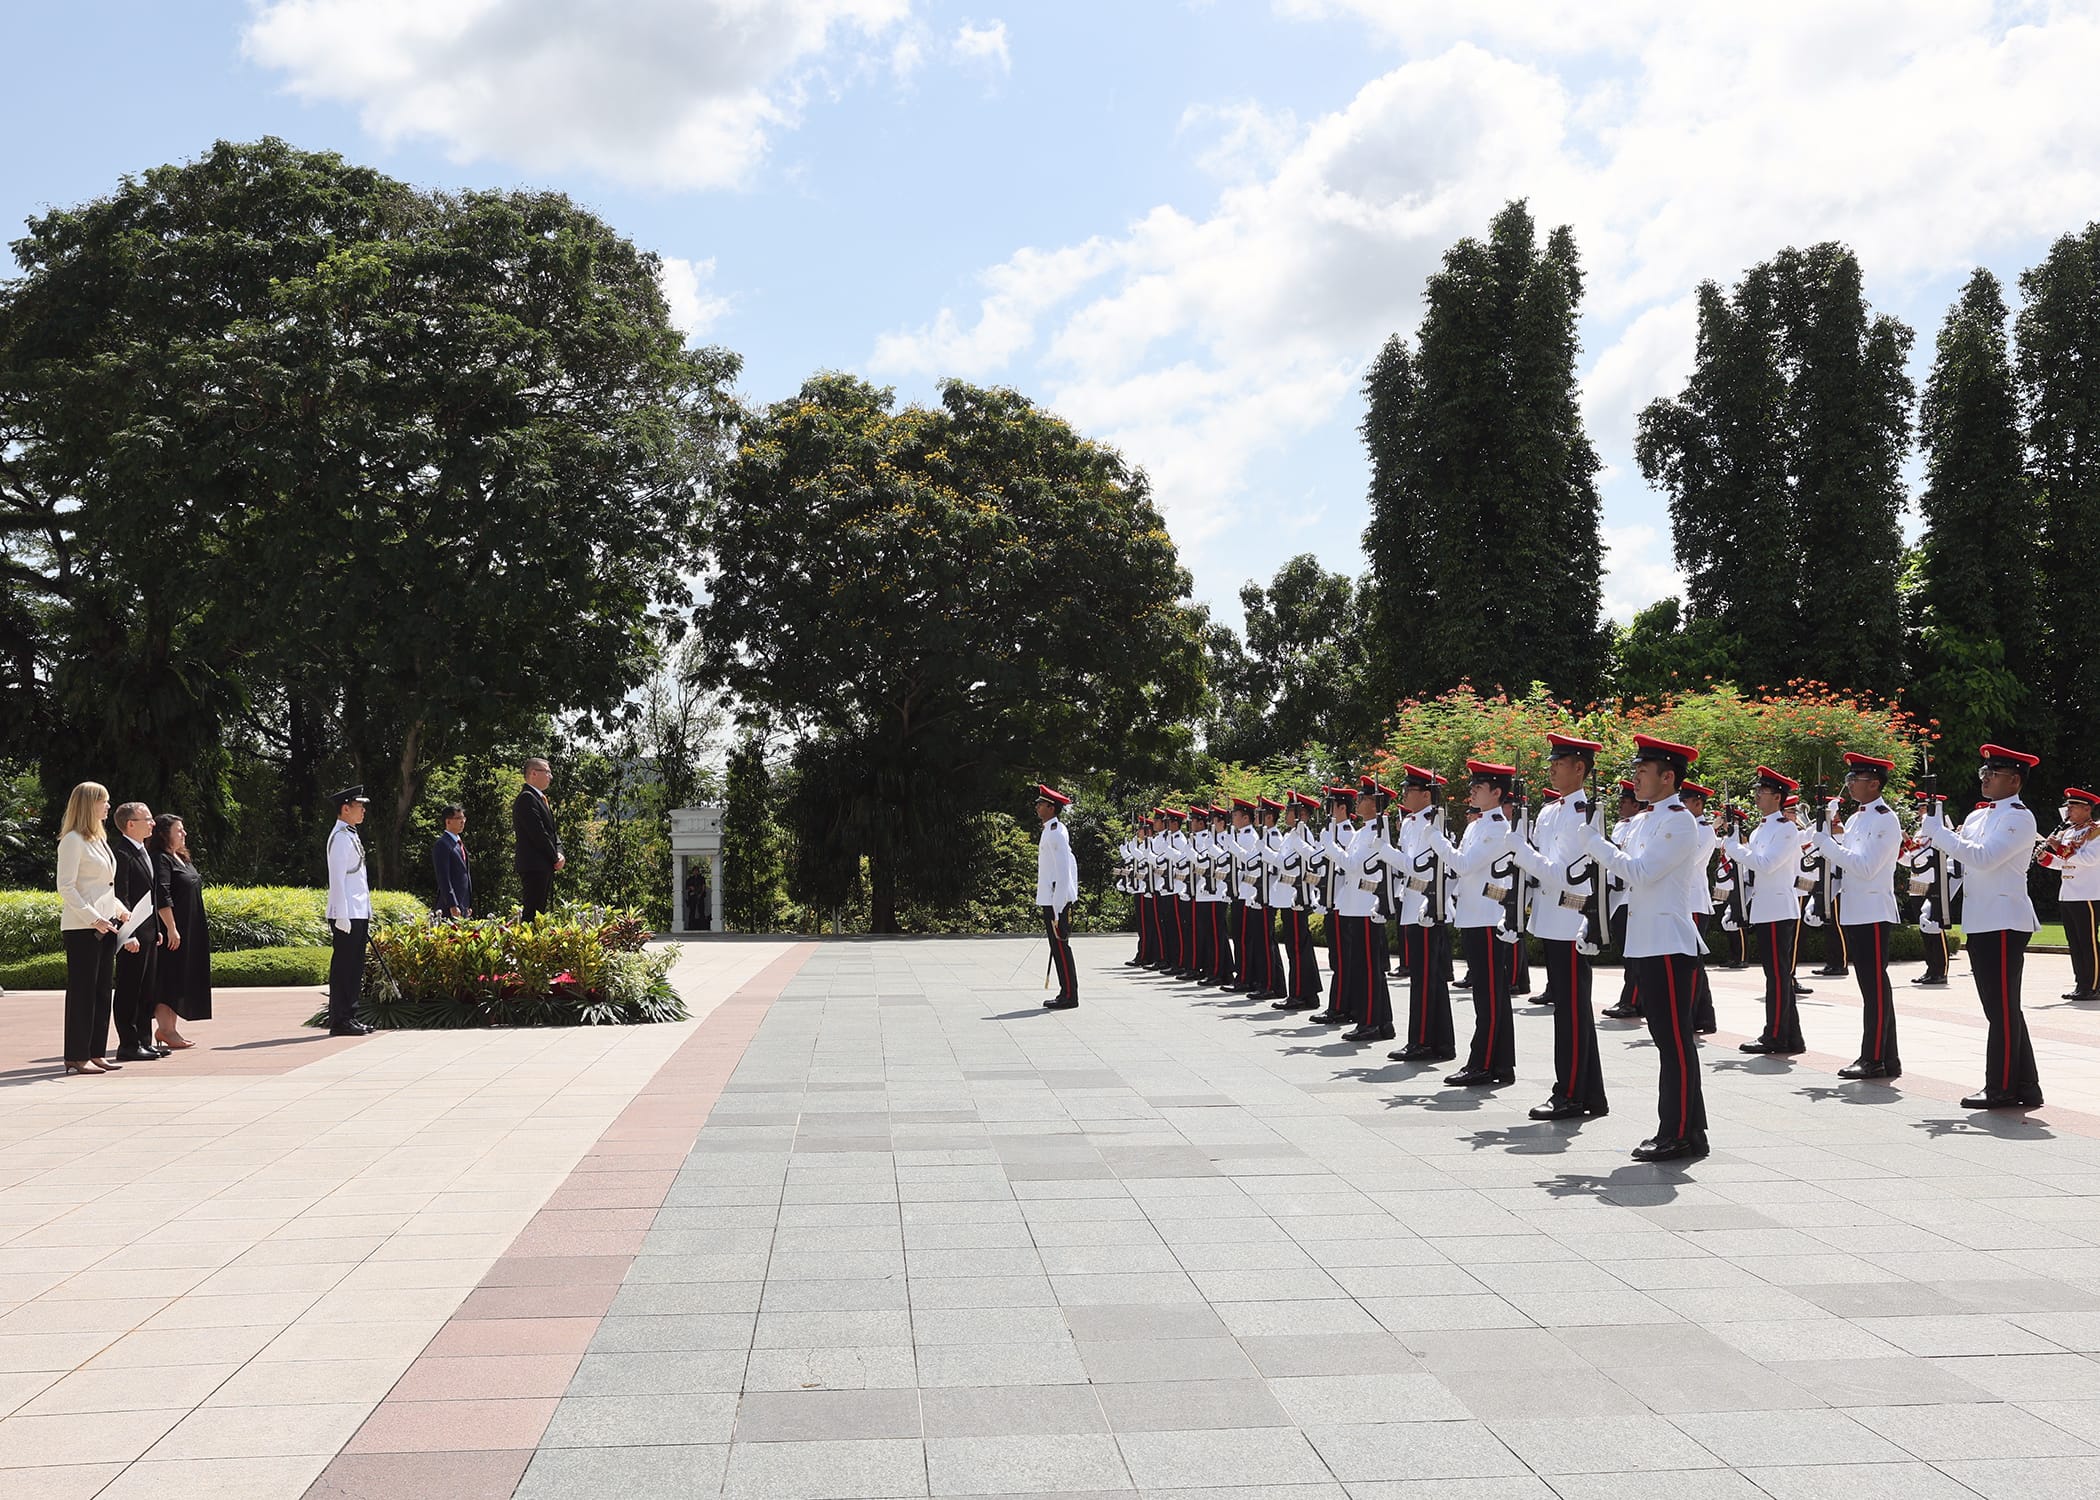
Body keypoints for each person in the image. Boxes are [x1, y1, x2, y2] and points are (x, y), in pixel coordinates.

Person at [1582, 734, 1711, 1163]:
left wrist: (1597, 845)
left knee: (1674, 1044)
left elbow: (1641, 873)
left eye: (1643, 771)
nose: (1635, 778)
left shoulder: (1678, 821)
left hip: (1669, 945)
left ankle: (1675, 1133)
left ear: (1668, 777)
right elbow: (1619, 878)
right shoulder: (1643, 821)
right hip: (1647, 943)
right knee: (1667, 1041)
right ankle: (1690, 1131)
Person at [1920, 744, 2044, 1108]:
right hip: (1981, 919)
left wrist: (1940, 834)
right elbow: (1961, 863)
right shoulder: (1977, 818)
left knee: (2002, 1009)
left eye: (1994, 773)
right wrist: (1937, 901)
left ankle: (2001, 1087)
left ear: (2015, 780)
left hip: (2005, 921)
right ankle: (2026, 1084)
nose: (1985, 778)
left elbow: (1985, 858)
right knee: (2001, 1007)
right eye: (1984, 772)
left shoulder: (2019, 818)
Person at [1511, 734, 1609, 1121]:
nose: (1551, 767)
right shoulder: (1550, 812)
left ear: (1580, 768)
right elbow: (1538, 867)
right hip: (1551, 920)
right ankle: (1589, 1093)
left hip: (1572, 920)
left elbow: (1567, 875)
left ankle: (1569, 1093)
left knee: (1571, 1011)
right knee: (1569, 1010)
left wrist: (1522, 854)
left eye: (1560, 762)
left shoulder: (1588, 813)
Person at [1423, 760, 1519, 1088]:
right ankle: (1497, 1063)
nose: (1472, 790)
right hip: (1474, 915)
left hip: (1488, 918)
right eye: (1473, 785)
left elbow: (1463, 865)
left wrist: (1435, 839)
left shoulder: (1497, 829)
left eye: (1480, 786)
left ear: (1497, 792)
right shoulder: (1478, 825)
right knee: (1485, 995)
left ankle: (1485, 1062)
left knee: (1490, 996)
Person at [1812, 752, 1903, 1082]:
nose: (1849, 785)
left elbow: (1865, 867)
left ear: (1875, 784)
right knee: (1872, 986)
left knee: (1874, 988)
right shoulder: (1855, 820)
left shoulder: (1885, 819)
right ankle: (1888, 1058)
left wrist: (1827, 845)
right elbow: (1846, 865)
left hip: (1873, 911)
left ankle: (1873, 1058)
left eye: (1856, 780)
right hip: (1855, 910)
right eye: (1849, 779)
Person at [57, 782, 133, 1075]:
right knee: (83, 993)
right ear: (89, 805)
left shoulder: (98, 839)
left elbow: (102, 887)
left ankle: (95, 1052)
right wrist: (92, 918)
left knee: (102, 991)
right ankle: (76, 1055)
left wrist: (119, 909)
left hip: (105, 925)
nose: (108, 807)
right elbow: (66, 886)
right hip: (82, 928)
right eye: (104, 802)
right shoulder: (73, 840)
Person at [1734, 766, 1809, 1055]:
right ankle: (1792, 1036)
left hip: (1779, 909)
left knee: (1777, 977)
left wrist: (1736, 850)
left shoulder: (1787, 829)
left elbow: (1766, 864)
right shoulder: (1761, 829)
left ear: (1777, 797)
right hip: (1765, 909)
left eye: (1762, 792)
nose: (1757, 796)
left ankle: (1775, 1035)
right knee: (1775, 975)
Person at [1388, 766, 1456, 1063]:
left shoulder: (1436, 824)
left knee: (1428, 978)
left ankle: (1425, 1042)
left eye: (1409, 790)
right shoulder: (1408, 824)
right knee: (1423, 977)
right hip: (1412, 903)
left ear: (1426, 794)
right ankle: (1434, 1042)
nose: (1404, 795)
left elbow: (1429, 868)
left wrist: (1385, 853)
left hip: (1428, 906)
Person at [1337, 782, 1397, 1044]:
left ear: (1375, 803)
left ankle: (1371, 1022)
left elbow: (1353, 866)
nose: (1358, 801)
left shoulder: (1377, 832)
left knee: (1369, 969)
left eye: (1363, 797)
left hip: (1365, 906)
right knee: (1364, 967)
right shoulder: (1364, 831)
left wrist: (1330, 846)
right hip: (1355, 905)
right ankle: (1381, 1022)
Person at [109, 801, 167, 1063]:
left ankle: (144, 1041)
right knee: (129, 989)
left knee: (146, 989)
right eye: (148, 819)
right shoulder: (121, 854)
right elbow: (121, 895)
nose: (153, 824)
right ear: (131, 824)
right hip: (131, 934)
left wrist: (156, 927)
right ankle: (128, 1044)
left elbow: (150, 895)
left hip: (148, 932)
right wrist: (126, 933)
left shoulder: (144, 851)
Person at [148, 813, 212, 1048]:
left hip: (190, 927)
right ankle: (166, 1030)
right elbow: (162, 894)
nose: (184, 834)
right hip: (173, 930)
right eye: (179, 830)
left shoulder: (181, 858)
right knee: (169, 979)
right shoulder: (161, 859)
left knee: (181, 976)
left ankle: (170, 1029)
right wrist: (171, 928)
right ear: (164, 834)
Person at [326, 785, 375, 1036]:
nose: (363, 810)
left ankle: (350, 1016)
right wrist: (341, 914)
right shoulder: (340, 838)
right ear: (345, 809)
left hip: (357, 912)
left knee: (355, 967)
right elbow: (337, 880)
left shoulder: (351, 834)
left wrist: (366, 908)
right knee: (344, 969)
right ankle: (340, 1019)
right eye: (359, 806)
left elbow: (358, 879)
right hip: (346, 914)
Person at [2044, 788, 2099, 1001]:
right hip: (2068, 894)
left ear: (2087, 808)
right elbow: (2064, 862)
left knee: (2088, 941)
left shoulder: (2096, 831)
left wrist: (2060, 849)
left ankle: (2094, 985)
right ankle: (2081, 983)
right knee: (2074, 942)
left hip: (2088, 893)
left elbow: (2090, 859)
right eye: (2067, 806)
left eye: (2073, 806)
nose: (2068, 810)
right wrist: (2047, 858)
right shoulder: (2067, 832)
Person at [1274, 793, 1325, 1011]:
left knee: (1298, 947)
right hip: (1288, 896)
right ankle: (1303, 993)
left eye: (1290, 811)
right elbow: (1280, 862)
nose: (1286, 815)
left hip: (1298, 897)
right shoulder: (1291, 835)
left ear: (1301, 814)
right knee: (1294, 948)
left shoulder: (1303, 836)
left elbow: (1310, 862)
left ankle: (1302, 994)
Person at [1035, 785, 1079, 1009]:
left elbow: (1064, 872)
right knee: (1057, 947)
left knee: (1061, 946)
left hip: (1056, 900)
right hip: (1051, 898)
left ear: (1051, 808)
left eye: (1041, 804)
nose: (1037, 807)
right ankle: (1065, 992)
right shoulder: (1049, 830)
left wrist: (1058, 906)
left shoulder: (1056, 834)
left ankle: (1070, 995)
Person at [512, 756, 564, 921]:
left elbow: (551, 832)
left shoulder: (540, 799)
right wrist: (554, 856)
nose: (550, 776)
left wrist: (559, 852)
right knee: (532, 913)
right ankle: (527, 945)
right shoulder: (527, 798)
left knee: (540, 913)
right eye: (547, 772)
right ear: (533, 773)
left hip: (544, 864)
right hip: (534, 865)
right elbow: (538, 833)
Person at [432, 804, 473, 918]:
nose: (462, 822)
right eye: (458, 818)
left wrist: (469, 904)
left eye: (463, 818)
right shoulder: (442, 844)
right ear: (448, 821)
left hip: (463, 904)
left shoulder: (459, 844)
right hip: (450, 907)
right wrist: (452, 904)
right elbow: (443, 878)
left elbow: (465, 875)